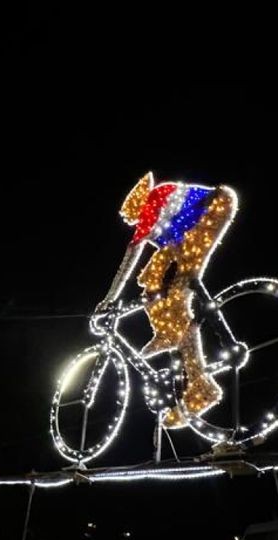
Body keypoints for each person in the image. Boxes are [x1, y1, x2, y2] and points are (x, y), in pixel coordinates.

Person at [95, 173, 240, 427]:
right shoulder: (158, 218)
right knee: (151, 277)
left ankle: (201, 388)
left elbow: (131, 255)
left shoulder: (152, 203)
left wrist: (108, 300)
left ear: (137, 205)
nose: (130, 220)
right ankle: (166, 331)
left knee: (178, 294)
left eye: (131, 214)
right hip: (184, 236)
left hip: (214, 208)